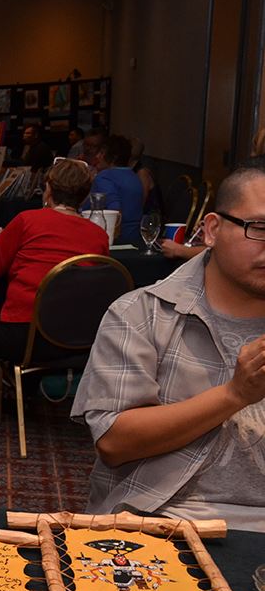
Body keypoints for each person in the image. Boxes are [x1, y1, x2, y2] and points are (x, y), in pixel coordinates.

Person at [73, 165, 265, 531]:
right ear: (212, 229)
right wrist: (235, 394)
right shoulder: (142, 314)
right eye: (259, 229)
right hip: (167, 519)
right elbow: (115, 442)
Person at [0, 159, 110, 427]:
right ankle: (22, 397)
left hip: (25, 338)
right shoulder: (98, 235)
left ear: (48, 189)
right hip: (77, 338)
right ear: (83, 196)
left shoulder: (27, 221)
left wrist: (6, 245)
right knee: (43, 311)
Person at [85, 135, 143, 245]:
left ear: (114, 157)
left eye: (101, 153)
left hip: (114, 243)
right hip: (135, 240)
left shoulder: (105, 177)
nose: (97, 156)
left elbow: (115, 210)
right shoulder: (134, 176)